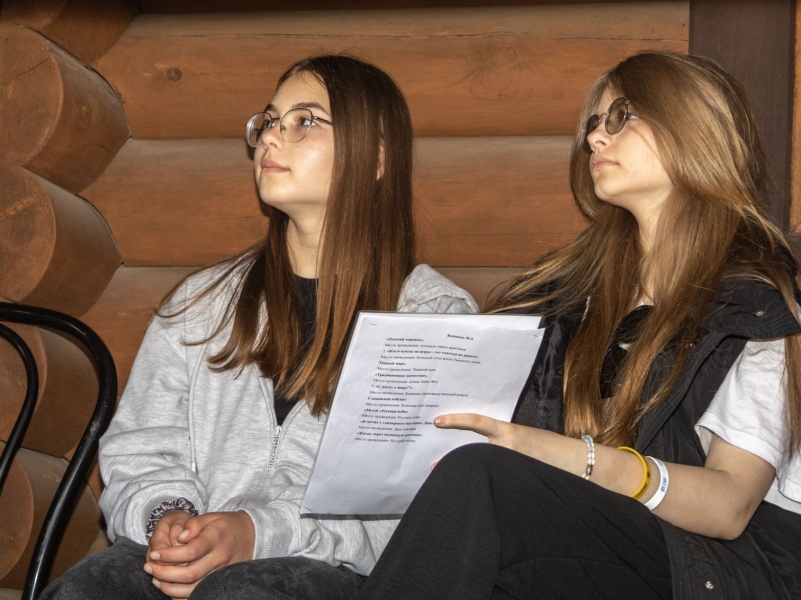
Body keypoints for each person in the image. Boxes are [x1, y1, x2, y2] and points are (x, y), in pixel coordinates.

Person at [355, 51, 801, 600]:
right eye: (594, 122)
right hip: (591, 561)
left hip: (712, 578)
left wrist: (566, 456)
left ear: (694, 129)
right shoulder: (561, 298)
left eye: (622, 117)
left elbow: (729, 506)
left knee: (482, 477)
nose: (594, 137)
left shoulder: (760, 312)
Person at [40, 55, 477, 600]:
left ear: (376, 160)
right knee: (91, 587)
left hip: (344, 571)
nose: (270, 137)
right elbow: (141, 449)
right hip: (199, 552)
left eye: (304, 121)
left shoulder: (433, 320)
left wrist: (255, 532)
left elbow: (410, 507)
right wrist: (168, 517)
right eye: (269, 120)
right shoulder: (201, 303)